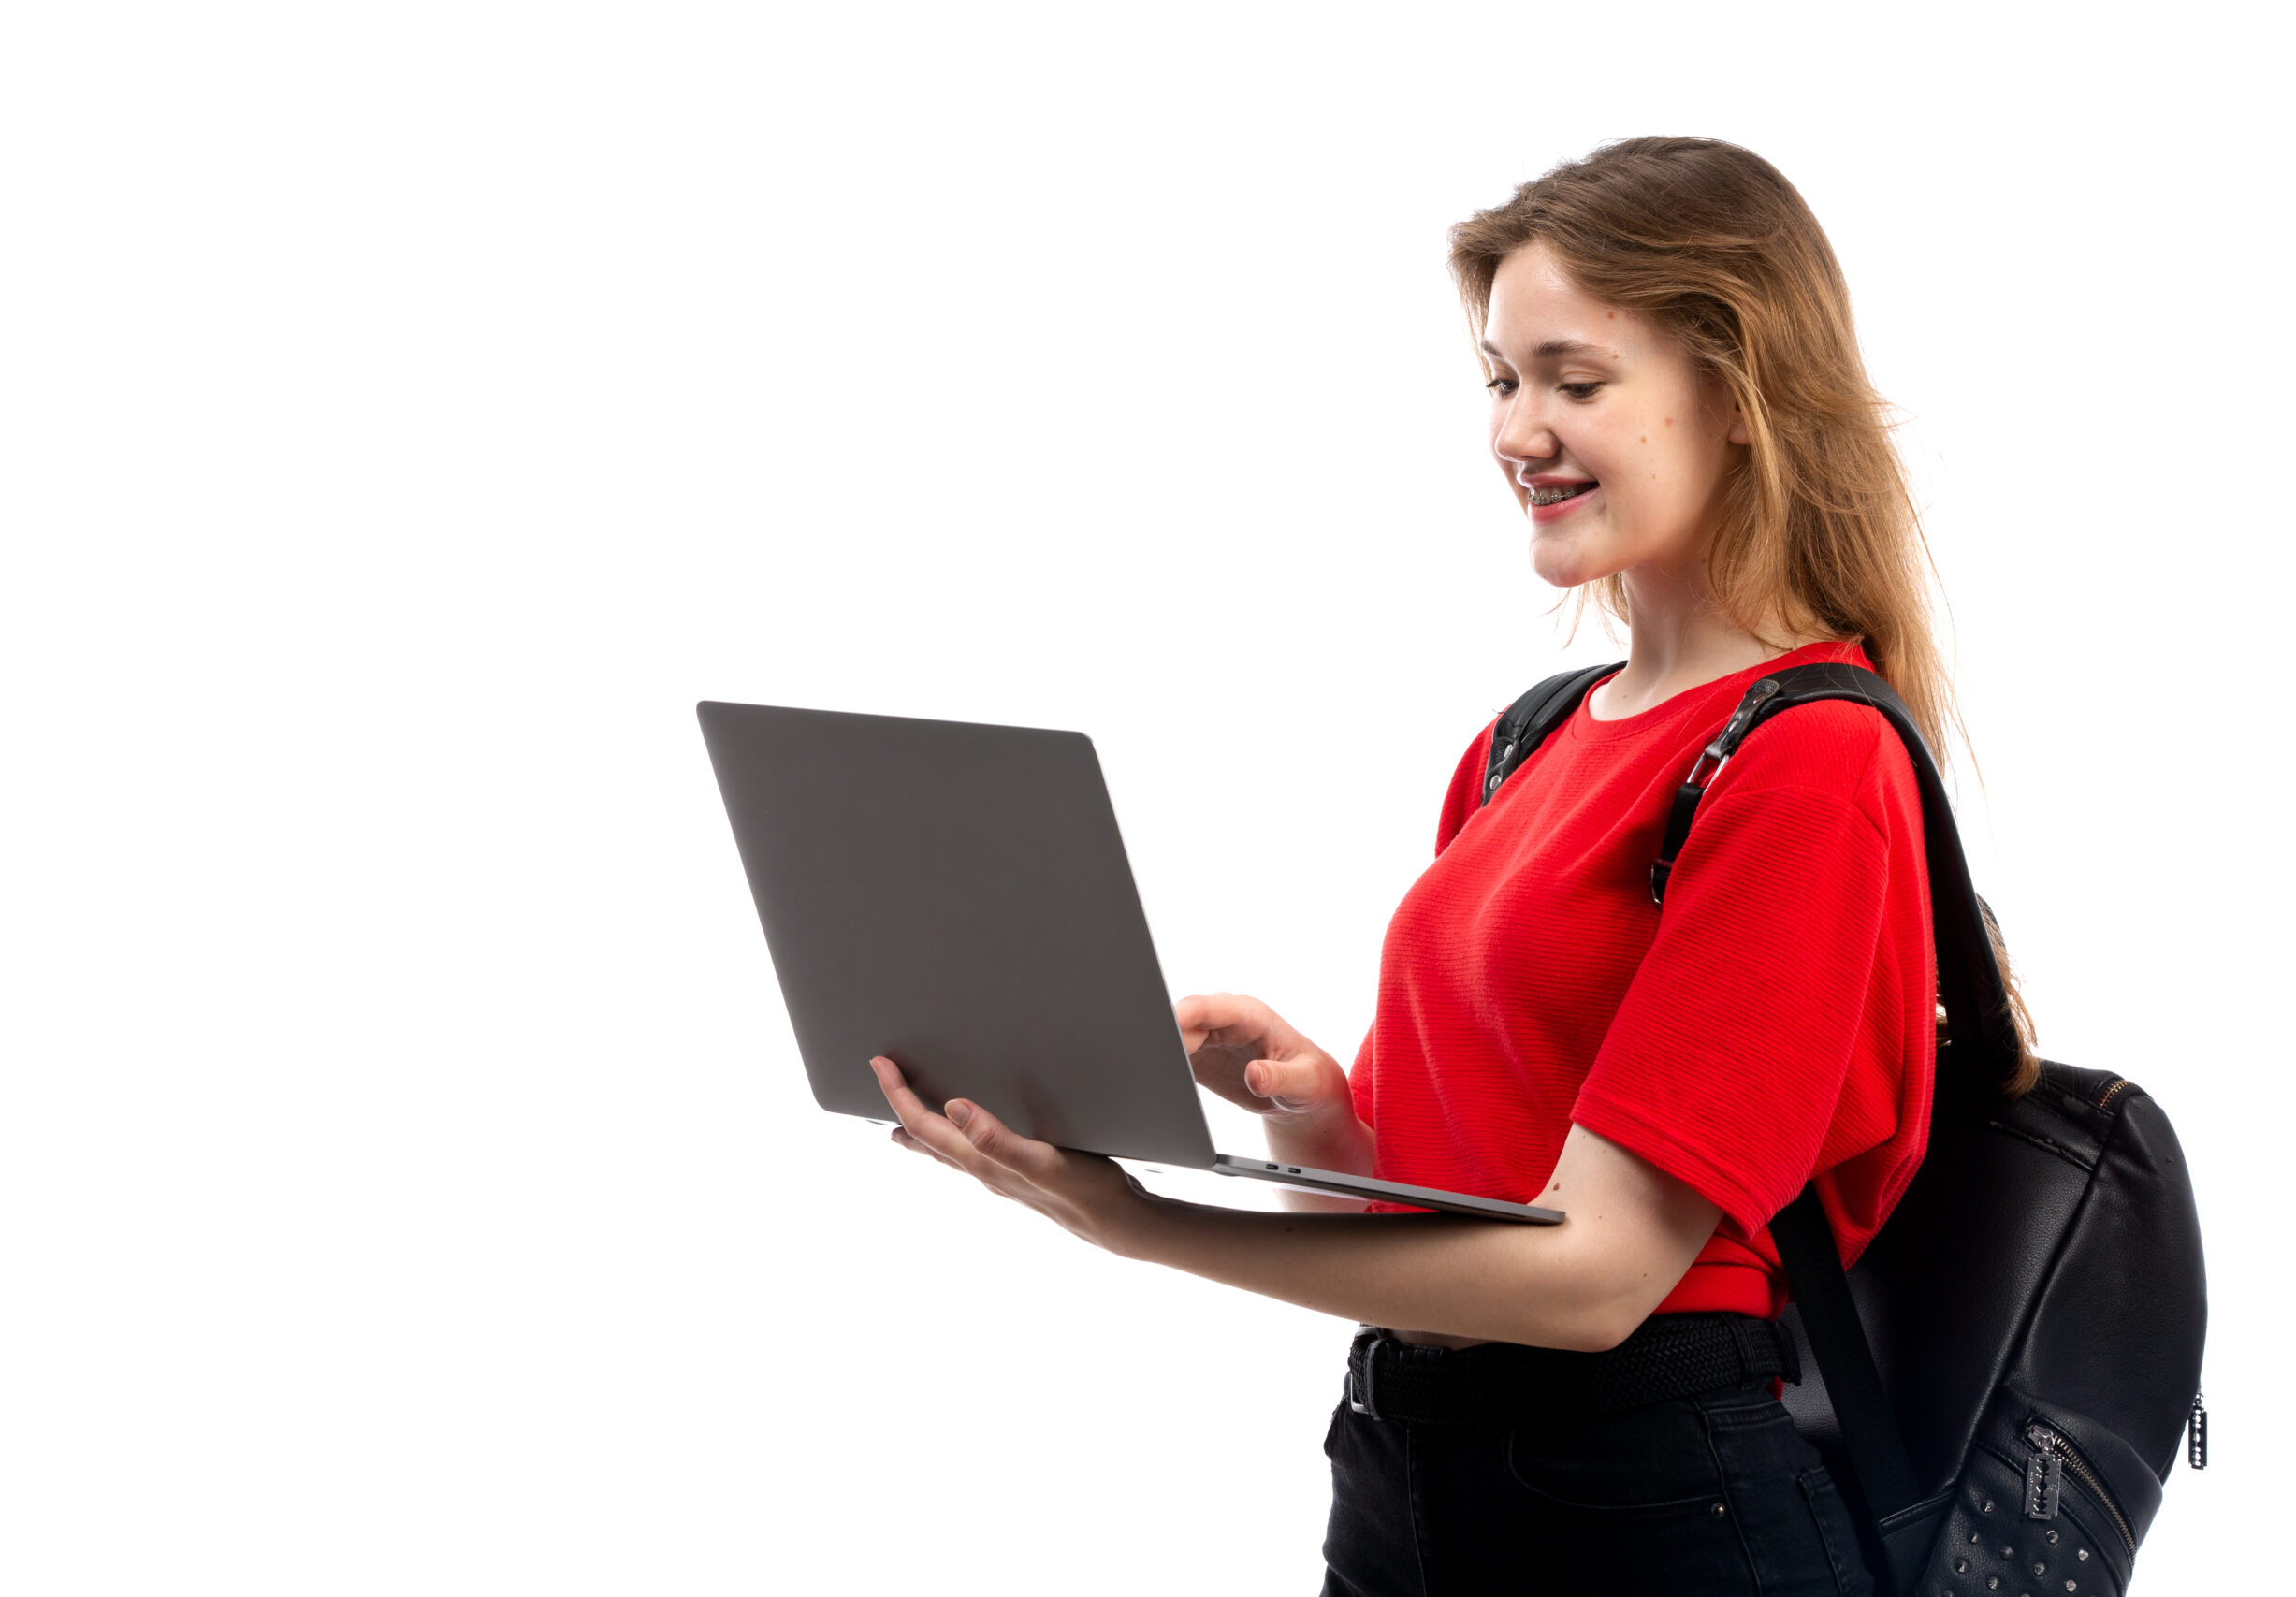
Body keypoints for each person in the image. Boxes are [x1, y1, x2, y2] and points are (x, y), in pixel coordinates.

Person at [868, 136, 2039, 1595]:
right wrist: (1322, 1134)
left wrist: (1144, 1226)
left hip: (1658, 1515)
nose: (1517, 430)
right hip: (1408, 1475)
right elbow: (1461, 1232)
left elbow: (1600, 1275)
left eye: (1575, 381)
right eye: (1500, 379)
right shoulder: (1522, 747)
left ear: (1736, 395)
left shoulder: (1807, 760)